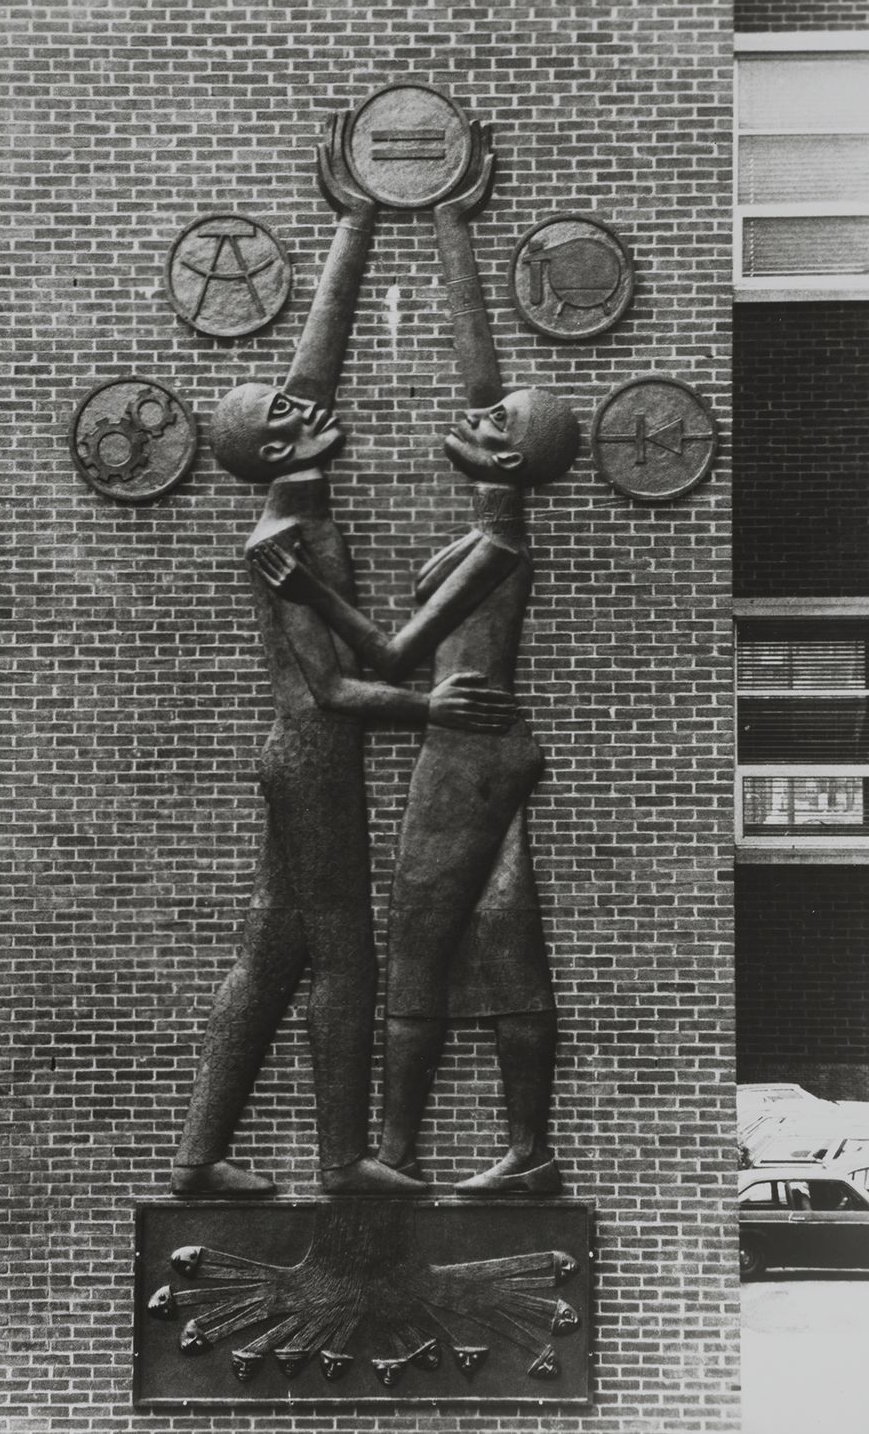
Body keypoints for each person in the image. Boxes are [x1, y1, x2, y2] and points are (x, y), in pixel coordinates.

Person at [171, 116, 517, 1198]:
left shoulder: (294, 505)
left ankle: (195, 1159)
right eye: (287, 417)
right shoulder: (285, 539)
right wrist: (432, 711)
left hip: (300, 751)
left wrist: (364, 225)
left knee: (272, 953)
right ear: (273, 453)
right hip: (316, 751)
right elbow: (333, 684)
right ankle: (339, 1159)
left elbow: (310, 377)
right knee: (346, 956)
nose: (308, 408)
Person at [254, 126, 580, 1192]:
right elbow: (491, 393)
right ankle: (527, 1152)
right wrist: (447, 223)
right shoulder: (504, 506)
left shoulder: (495, 543)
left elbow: (392, 650)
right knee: (504, 937)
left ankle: (391, 1155)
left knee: (414, 950)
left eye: (492, 428)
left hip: (465, 748)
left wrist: (309, 591)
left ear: (506, 462)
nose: (473, 417)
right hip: (487, 750)